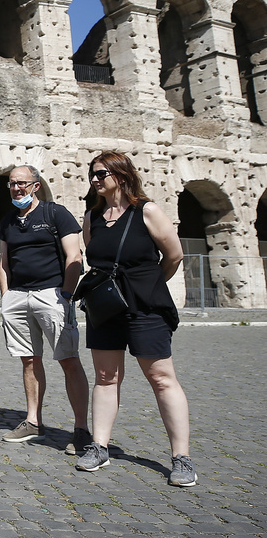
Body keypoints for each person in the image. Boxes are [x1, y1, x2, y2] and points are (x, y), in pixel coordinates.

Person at [75, 151, 195, 487]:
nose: (95, 180)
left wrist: (149, 283)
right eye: (92, 175)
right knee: (105, 376)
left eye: (101, 174)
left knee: (160, 377)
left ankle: (181, 458)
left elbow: (173, 256)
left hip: (145, 306)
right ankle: (99, 445)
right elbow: (96, 258)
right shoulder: (92, 217)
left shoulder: (148, 211)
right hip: (105, 306)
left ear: (122, 176)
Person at [0, 164, 91, 454]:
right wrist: (6, 296)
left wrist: (65, 293)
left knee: (68, 359)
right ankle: (33, 421)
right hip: (18, 297)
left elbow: (74, 254)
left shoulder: (55, 213)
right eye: (12, 183)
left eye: (22, 183)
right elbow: (4, 261)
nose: (16, 188)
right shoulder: (9, 220)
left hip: (51, 294)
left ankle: (81, 429)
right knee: (28, 359)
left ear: (36, 186)